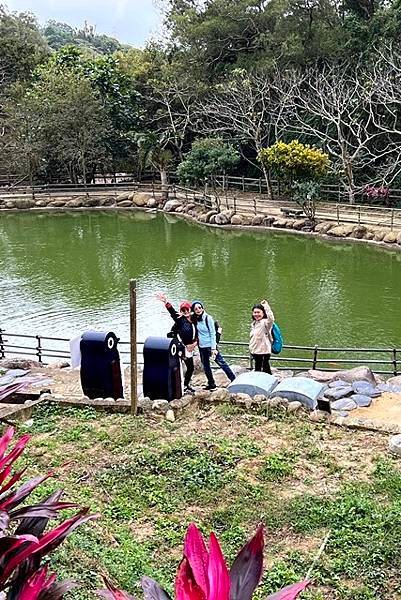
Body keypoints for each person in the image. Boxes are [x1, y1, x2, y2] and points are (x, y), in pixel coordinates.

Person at [155, 292, 197, 392]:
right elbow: (172, 313)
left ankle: (186, 385)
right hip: (182, 347)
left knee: (190, 368)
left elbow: (199, 333)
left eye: (187, 309)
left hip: (190, 347)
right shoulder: (180, 320)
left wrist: (194, 344)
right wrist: (166, 302)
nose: (186, 311)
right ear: (181, 311)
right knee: (176, 366)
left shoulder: (195, 320)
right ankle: (174, 385)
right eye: (183, 310)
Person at [191, 300, 235, 390]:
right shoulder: (195, 319)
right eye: (196, 309)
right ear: (194, 311)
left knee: (221, 363)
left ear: (203, 308)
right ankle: (211, 384)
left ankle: (234, 379)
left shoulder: (208, 318)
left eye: (200, 307)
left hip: (210, 346)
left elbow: (212, 333)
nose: (198, 310)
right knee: (206, 366)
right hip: (201, 347)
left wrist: (213, 348)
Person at [249, 300, 275, 374]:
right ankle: (266, 383)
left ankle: (264, 383)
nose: (256, 314)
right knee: (261, 369)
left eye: (258, 312)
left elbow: (271, 318)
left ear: (263, 313)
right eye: (255, 312)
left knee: (263, 370)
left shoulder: (265, 323)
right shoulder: (254, 324)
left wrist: (266, 306)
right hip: (255, 351)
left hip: (263, 352)